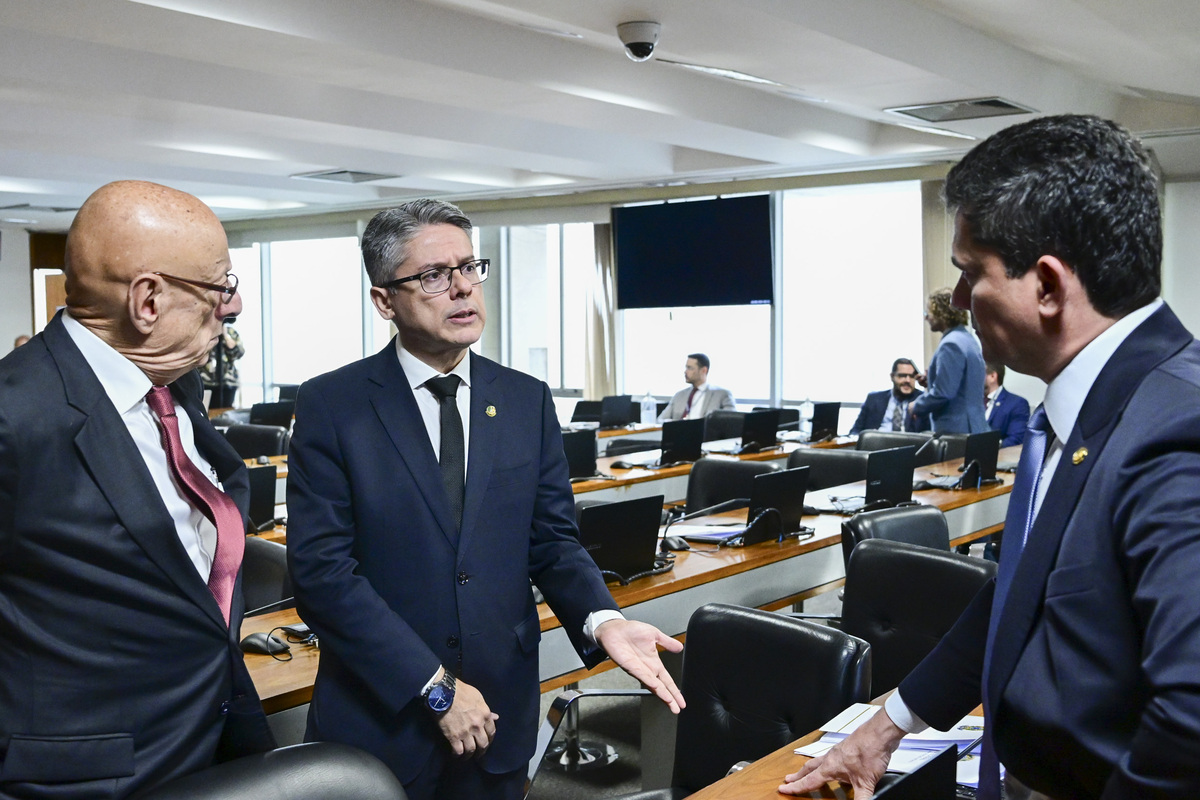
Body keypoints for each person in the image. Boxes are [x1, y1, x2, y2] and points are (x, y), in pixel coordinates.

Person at [780, 114, 1200, 799]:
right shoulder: (1078, 411)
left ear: (1048, 285)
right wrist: (884, 727)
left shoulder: (1177, 428)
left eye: (970, 273)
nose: (959, 300)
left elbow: (1191, 720)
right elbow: (1015, 599)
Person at [286, 199, 685, 800]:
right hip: (380, 721)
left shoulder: (525, 398)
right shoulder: (332, 405)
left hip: (499, 713)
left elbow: (551, 539)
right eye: (434, 276)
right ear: (383, 300)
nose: (462, 288)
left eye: (471, 268)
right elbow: (322, 575)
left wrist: (603, 618)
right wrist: (436, 687)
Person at [0, 181, 273, 797]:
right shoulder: (14, 417)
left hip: (214, 744)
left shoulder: (172, 387)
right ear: (147, 300)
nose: (231, 308)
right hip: (85, 780)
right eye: (220, 287)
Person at [911, 287, 990, 434]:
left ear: (941, 313)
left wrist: (916, 406)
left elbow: (943, 393)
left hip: (956, 429)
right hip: (974, 426)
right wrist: (931, 382)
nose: (926, 318)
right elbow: (963, 386)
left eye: (928, 312)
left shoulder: (950, 344)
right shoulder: (968, 339)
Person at [848, 357, 932, 434]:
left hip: (910, 447)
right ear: (892, 377)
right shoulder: (874, 399)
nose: (908, 380)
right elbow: (855, 431)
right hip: (876, 446)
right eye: (902, 376)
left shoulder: (922, 400)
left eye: (911, 376)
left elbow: (930, 434)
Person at [656, 353, 735, 421]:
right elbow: (660, 420)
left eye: (690, 368)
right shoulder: (679, 395)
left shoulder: (722, 394)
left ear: (704, 370)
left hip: (705, 436)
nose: (685, 371)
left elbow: (730, 422)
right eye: (686, 367)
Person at [984, 360, 1030, 447]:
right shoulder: (973, 402)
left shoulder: (1016, 403)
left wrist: (987, 446)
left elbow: (1016, 439)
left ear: (993, 376)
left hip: (998, 457)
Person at [200, 322, 245, 408]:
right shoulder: (204, 331)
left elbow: (238, 353)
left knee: (226, 412)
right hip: (206, 382)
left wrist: (225, 335)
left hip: (228, 382)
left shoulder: (231, 332)